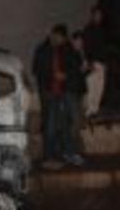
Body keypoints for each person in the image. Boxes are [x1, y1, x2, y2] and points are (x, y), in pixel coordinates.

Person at [33, 25, 85, 168]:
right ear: (52, 35)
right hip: (48, 92)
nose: (59, 41)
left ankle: (63, 153)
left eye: (62, 39)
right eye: (58, 38)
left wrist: (65, 75)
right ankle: (49, 156)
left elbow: (73, 67)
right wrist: (52, 76)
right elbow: (37, 70)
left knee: (62, 125)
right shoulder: (42, 50)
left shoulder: (64, 49)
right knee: (50, 125)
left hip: (60, 92)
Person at [82, 6, 108, 118]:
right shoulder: (88, 29)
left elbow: (103, 47)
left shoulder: (101, 30)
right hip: (93, 62)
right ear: (92, 15)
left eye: (100, 15)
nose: (99, 17)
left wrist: (106, 62)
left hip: (101, 62)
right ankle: (89, 111)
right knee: (91, 87)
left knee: (99, 88)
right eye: (97, 15)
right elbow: (87, 46)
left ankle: (95, 110)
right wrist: (90, 61)